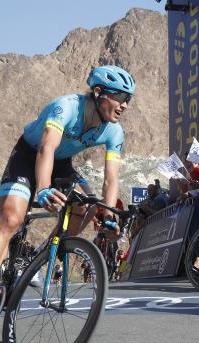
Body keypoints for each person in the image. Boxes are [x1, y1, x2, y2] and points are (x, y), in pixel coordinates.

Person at [0, 65, 135, 298]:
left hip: (61, 164)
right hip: (29, 155)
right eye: (120, 97)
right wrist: (43, 190)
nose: (124, 105)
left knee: (90, 205)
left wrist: (110, 216)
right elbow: (46, 147)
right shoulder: (66, 107)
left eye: (128, 99)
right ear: (99, 92)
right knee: (11, 219)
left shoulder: (114, 132)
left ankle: (36, 259)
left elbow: (111, 178)